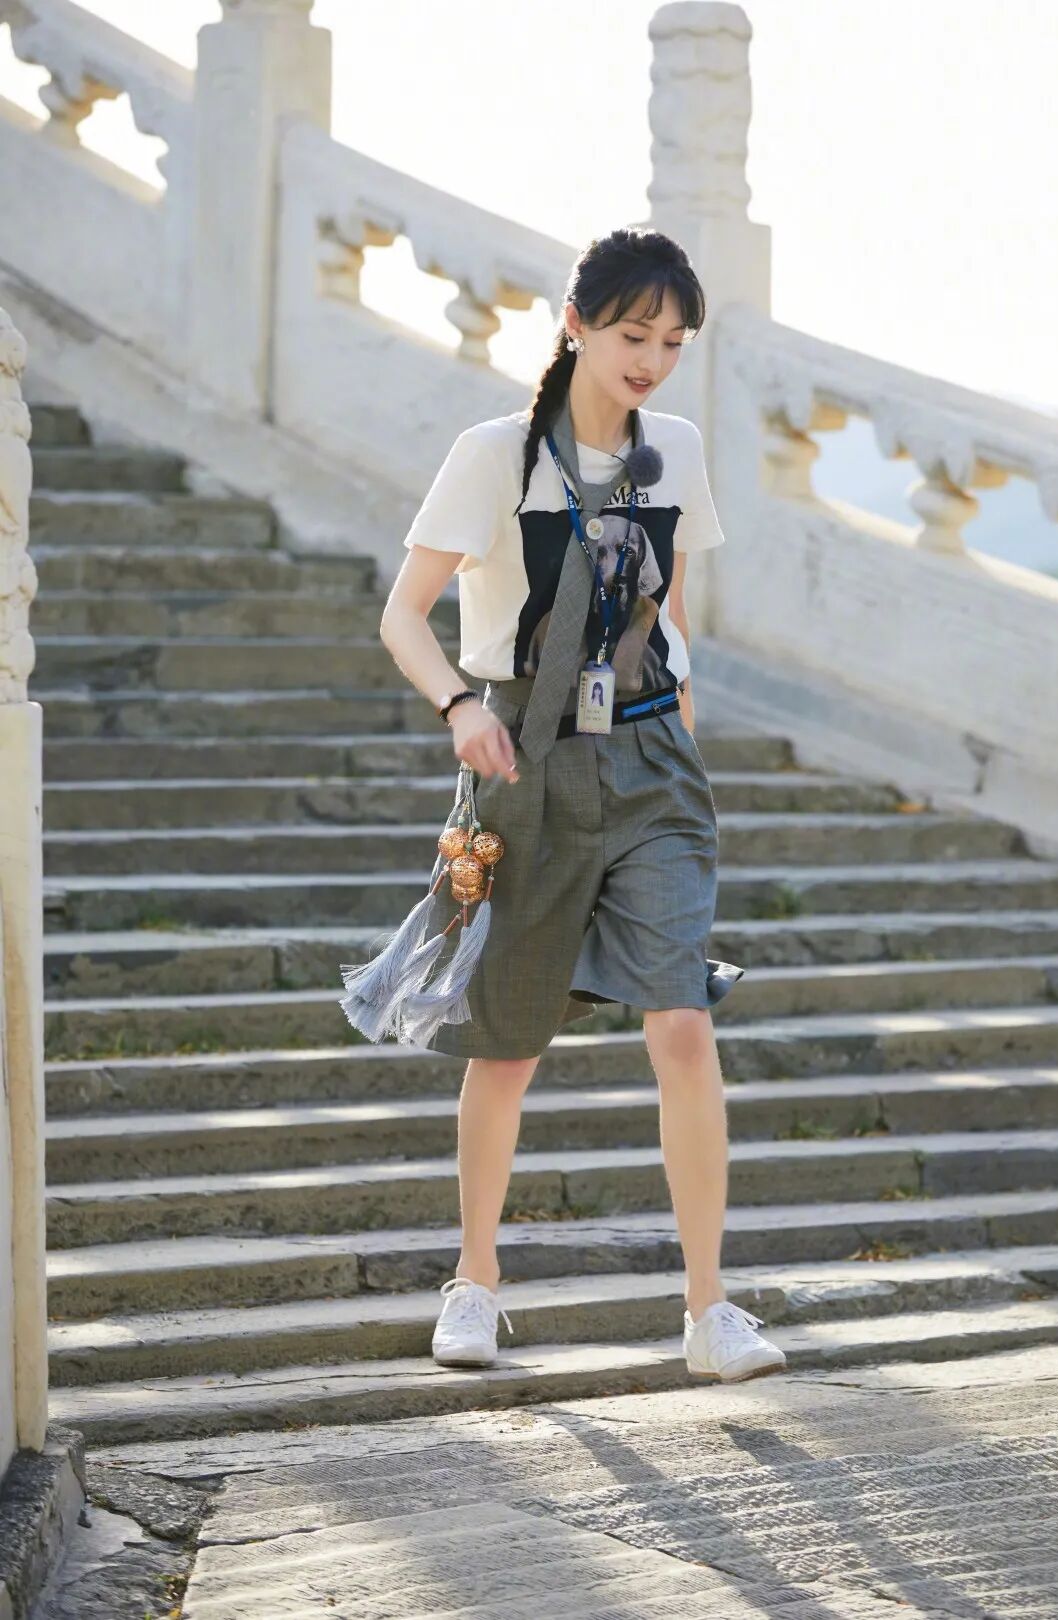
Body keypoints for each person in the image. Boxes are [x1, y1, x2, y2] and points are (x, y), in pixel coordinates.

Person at [378, 225, 787, 1385]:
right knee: (507, 1046)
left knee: (683, 1022)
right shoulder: (493, 456)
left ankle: (709, 1310)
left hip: (652, 765)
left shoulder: (677, 451)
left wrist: (682, 739)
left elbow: (670, 613)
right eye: (632, 334)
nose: (652, 360)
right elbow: (403, 614)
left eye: (673, 341)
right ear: (576, 324)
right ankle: (474, 1281)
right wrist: (460, 706)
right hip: (527, 759)